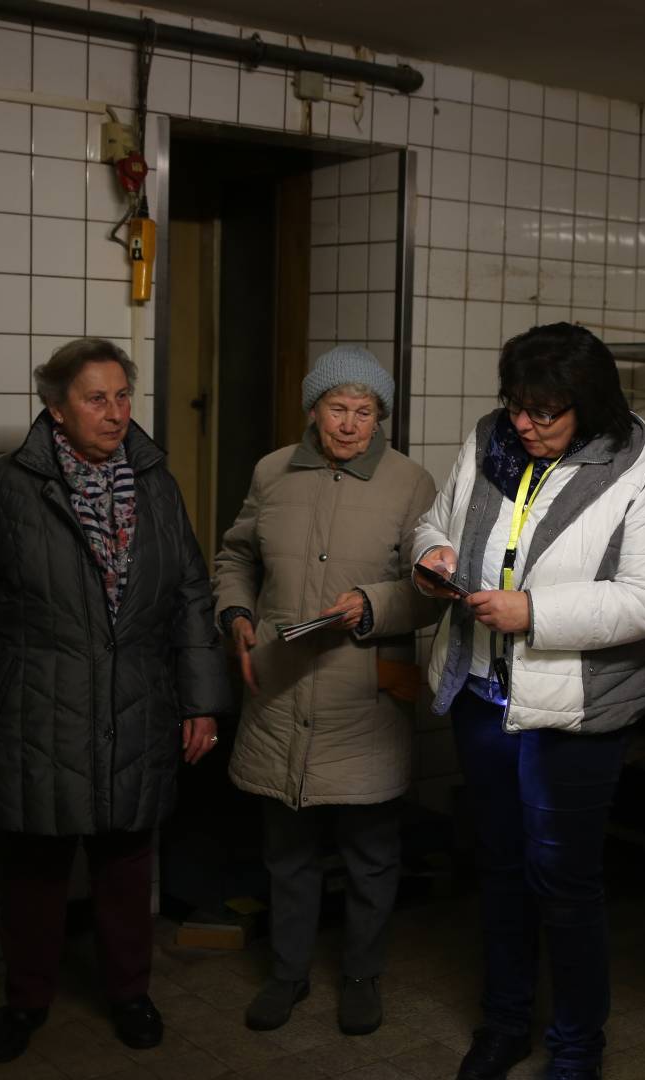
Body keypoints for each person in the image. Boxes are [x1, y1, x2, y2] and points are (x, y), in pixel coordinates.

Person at [412, 323, 645, 1080]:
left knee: (564, 884)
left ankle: (576, 1047)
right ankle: (504, 1023)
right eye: (516, 406)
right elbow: (435, 519)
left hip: (574, 711)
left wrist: (534, 612)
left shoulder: (638, 468)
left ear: (587, 404)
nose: (524, 425)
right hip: (484, 693)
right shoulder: (488, 441)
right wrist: (430, 552)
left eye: (544, 412)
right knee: (498, 868)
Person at [0, 338, 232, 1064]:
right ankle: (27, 1001)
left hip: (136, 701)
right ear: (56, 408)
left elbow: (190, 592)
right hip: (36, 709)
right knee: (37, 867)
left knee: (126, 861)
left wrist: (201, 701)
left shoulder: (155, 483)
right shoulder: (3, 488)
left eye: (122, 396)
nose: (115, 414)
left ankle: (130, 993)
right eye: (95, 399)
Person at [212, 347, 445, 1036]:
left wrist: (372, 603)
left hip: (362, 692)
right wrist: (236, 611)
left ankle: (362, 974)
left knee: (371, 851)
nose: (349, 425)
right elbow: (236, 555)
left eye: (364, 412)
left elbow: (431, 591)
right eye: (337, 409)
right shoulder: (272, 472)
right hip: (282, 687)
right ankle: (287, 973)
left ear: (380, 416)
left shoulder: (410, 482)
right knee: (287, 848)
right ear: (313, 411)